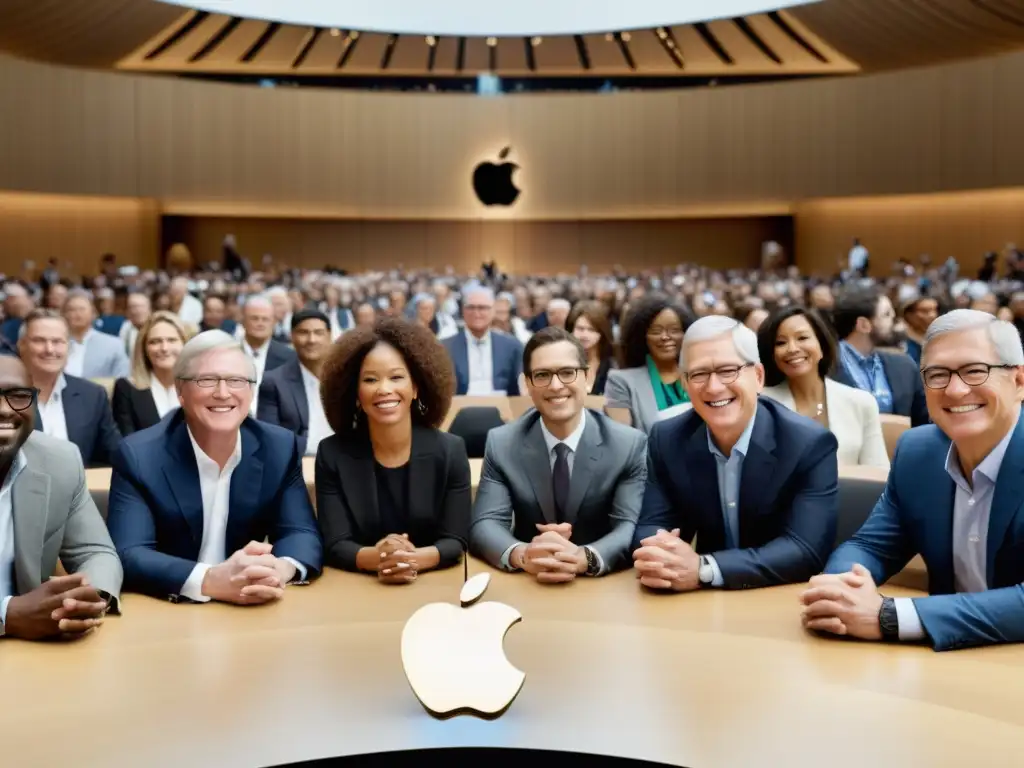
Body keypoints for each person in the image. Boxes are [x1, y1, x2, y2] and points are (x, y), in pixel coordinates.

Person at [801, 310, 1024, 651]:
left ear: (1018, 381)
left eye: (975, 371)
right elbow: (871, 546)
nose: (955, 389)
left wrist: (891, 617)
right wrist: (842, 590)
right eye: (937, 374)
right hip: (943, 663)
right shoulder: (919, 452)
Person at [106, 330, 322, 603]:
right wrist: (209, 580)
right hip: (169, 608)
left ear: (251, 390)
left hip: (250, 606)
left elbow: (300, 531)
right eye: (206, 380)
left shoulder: (278, 447)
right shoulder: (139, 454)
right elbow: (129, 552)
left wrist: (282, 568)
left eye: (236, 380)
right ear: (181, 391)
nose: (223, 393)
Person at [632, 316, 839, 591]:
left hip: (781, 597)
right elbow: (652, 525)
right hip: (699, 606)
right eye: (699, 374)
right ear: (685, 385)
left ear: (758, 376)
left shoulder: (809, 443)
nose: (714, 386)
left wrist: (704, 569)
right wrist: (660, 554)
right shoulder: (667, 439)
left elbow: (804, 550)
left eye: (728, 370)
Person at [471, 327, 647, 580]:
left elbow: (630, 526)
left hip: (603, 586)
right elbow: (485, 524)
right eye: (542, 375)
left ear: (587, 379)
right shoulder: (502, 443)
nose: (556, 386)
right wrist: (523, 553)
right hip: (530, 581)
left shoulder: (627, 444)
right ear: (528, 385)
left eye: (567, 373)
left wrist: (584, 557)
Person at [315, 318, 470, 582]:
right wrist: (380, 560)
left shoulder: (450, 450)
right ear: (355, 393)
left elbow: (456, 540)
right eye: (370, 379)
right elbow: (336, 543)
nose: (384, 389)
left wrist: (410, 560)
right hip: (358, 588)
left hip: (434, 586)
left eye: (396, 377)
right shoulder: (332, 453)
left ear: (416, 387)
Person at [0, 356, 122, 640]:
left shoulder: (59, 460)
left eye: (19, 396)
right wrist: (8, 615)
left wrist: (83, 599)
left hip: (34, 653)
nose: (5, 410)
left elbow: (97, 553)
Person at [759, 307, 888, 468]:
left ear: (822, 346)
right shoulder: (760, 405)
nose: (792, 348)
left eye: (802, 338)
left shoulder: (861, 402)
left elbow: (878, 473)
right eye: (781, 342)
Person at [19, 309, 121, 468]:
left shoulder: (92, 396)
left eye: (58, 341)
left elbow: (113, 455)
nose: (50, 349)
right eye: (39, 340)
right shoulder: (6, 395)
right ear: (22, 345)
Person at [832, 286, 929, 427]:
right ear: (864, 325)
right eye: (886, 314)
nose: (895, 319)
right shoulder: (824, 366)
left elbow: (923, 420)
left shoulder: (904, 365)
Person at [605, 293, 695, 433]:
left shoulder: (700, 376)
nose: (665, 337)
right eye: (656, 331)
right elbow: (622, 441)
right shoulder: (621, 382)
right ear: (642, 337)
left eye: (675, 330)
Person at [257, 309, 335, 456]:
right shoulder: (274, 382)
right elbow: (270, 439)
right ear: (292, 337)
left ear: (329, 336)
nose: (311, 340)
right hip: (298, 465)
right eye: (303, 332)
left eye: (318, 333)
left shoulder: (346, 378)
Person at [112, 311, 191, 435]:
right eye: (155, 342)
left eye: (172, 340)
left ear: (185, 345)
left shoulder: (199, 386)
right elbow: (126, 443)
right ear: (144, 349)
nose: (164, 348)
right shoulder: (127, 389)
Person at [443, 285, 522, 396]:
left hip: (502, 408)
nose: (476, 313)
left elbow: (517, 389)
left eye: (482, 308)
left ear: (493, 311)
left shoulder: (511, 346)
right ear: (463, 311)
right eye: (471, 307)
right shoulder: (445, 347)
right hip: (459, 407)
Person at [239, 295, 296, 417]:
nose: (260, 323)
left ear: (274, 322)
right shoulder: (228, 353)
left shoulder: (289, 357)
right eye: (255, 318)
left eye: (265, 319)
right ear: (243, 321)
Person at [62, 288, 131, 379]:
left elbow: (122, 378)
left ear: (93, 313)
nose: (77, 314)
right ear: (64, 314)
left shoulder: (113, 344)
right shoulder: (56, 343)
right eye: (71, 310)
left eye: (82, 309)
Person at [566, 301, 616, 396]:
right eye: (580, 329)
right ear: (571, 330)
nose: (585, 335)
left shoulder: (612, 366)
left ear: (601, 333)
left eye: (591, 330)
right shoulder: (562, 361)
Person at [901, 296, 940, 366]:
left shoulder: (940, 338)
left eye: (935, 310)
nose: (932, 315)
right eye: (925, 311)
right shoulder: (901, 343)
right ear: (909, 315)